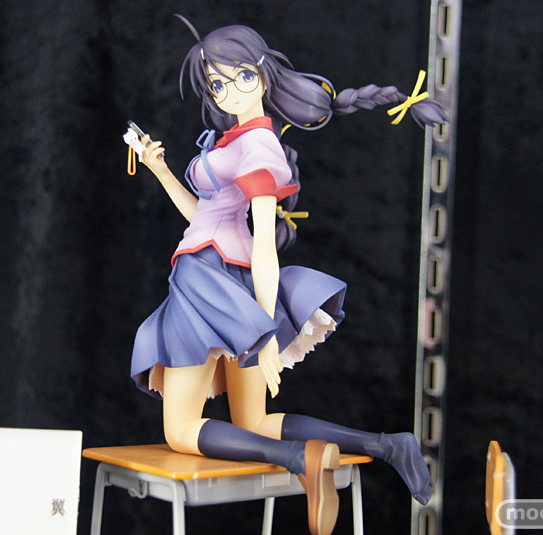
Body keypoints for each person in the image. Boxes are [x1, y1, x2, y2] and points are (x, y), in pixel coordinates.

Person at [129, 16, 447, 535]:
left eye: (240, 77)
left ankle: (299, 459)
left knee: (182, 429)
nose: (229, 91)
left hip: (205, 283)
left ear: (262, 72)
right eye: (217, 84)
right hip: (219, 274)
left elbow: (263, 243)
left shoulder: (258, 146)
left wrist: (265, 332)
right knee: (253, 421)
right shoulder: (237, 140)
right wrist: (160, 169)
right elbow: (203, 218)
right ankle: (388, 446)